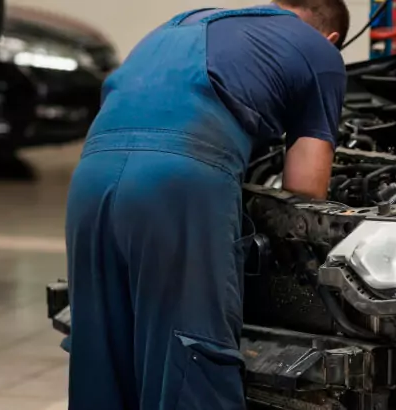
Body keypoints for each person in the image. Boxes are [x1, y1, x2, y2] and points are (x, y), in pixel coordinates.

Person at [63, 1, 349, 408]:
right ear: (333, 39)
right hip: (177, 179)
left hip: (91, 177)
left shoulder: (187, 20)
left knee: (102, 354)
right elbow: (304, 190)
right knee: (190, 355)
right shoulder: (320, 52)